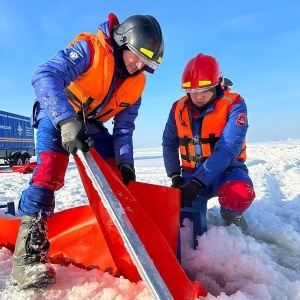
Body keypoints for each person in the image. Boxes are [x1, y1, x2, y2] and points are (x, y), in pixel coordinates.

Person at [12, 13, 164, 289]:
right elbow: (44, 74)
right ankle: (28, 257)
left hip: (90, 124)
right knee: (49, 172)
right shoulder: (90, 49)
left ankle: (124, 239)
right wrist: (66, 121)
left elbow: (124, 128)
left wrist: (126, 162)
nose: (139, 65)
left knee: (118, 175)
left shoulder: (137, 83)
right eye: (136, 56)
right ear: (122, 41)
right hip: (57, 112)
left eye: (147, 62)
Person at [162, 53, 255, 236]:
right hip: (191, 175)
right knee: (183, 223)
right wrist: (175, 176)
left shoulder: (235, 105)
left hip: (226, 171)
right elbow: (169, 143)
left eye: (205, 90)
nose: (199, 97)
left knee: (240, 193)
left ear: (218, 84)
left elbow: (228, 148)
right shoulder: (177, 108)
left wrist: (199, 181)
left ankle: (231, 215)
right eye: (193, 91)